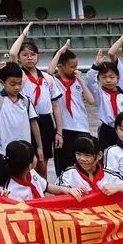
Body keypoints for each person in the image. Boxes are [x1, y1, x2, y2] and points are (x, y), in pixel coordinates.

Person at [1, 140, 99, 244]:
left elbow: (47, 186)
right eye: (34, 156)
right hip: (32, 237)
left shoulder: (32, 174)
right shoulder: (11, 191)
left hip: (47, 224)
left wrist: (67, 190)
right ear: (30, 164)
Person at [0, 61, 43, 187]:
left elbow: (34, 124)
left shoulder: (25, 101)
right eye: (12, 84)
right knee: (2, 185)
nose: (17, 87)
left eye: (19, 83)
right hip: (3, 151)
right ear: (2, 83)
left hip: (24, 151)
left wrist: (39, 147)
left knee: (24, 184)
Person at [8, 23, 58, 178]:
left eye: (33, 54)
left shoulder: (47, 78)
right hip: (26, 120)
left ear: (38, 56)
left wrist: (59, 131)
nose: (29, 57)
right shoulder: (19, 75)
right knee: (27, 160)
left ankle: (41, 188)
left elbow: (56, 107)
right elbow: (12, 53)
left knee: (43, 162)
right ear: (19, 58)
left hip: (45, 121)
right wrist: (23, 35)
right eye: (25, 55)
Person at [46, 42, 97, 178]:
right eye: (72, 66)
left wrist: (81, 81)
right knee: (64, 164)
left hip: (81, 127)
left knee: (83, 164)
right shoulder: (53, 81)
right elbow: (49, 72)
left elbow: (91, 101)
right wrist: (59, 52)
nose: (75, 69)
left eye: (76, 66)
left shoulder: (78, 81)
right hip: (64, 128)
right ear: (60, 66)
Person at [86, 56, 123, 149]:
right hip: (107, 129)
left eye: (112, 77)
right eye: (103, 77)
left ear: (118, 77)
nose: (108, 80)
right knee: (106, 152)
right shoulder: (99, 93)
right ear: (98, 78)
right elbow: (90, 82)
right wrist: (96, 65)